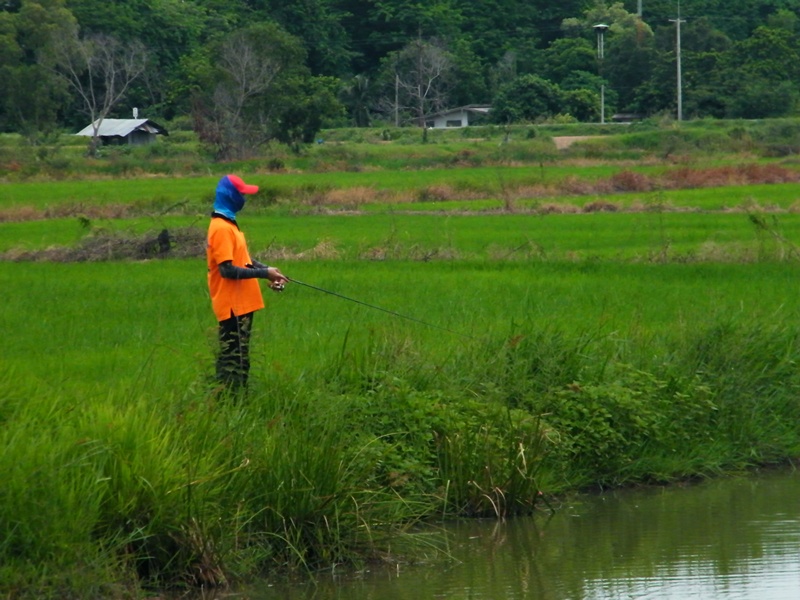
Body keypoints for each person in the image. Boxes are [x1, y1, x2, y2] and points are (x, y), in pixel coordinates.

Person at [206, 174, 288, 390]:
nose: (244, 197)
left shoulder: (230, 223)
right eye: (241, 193)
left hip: (243, 303)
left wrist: (269, 270)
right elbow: (227, 270)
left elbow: (243, 260)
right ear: (231, 195)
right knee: (234, 360)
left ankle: (232, 401)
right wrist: (264, 274)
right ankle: (230, 402)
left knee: (239, 357)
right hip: (233, 305)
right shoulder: (221, 228)